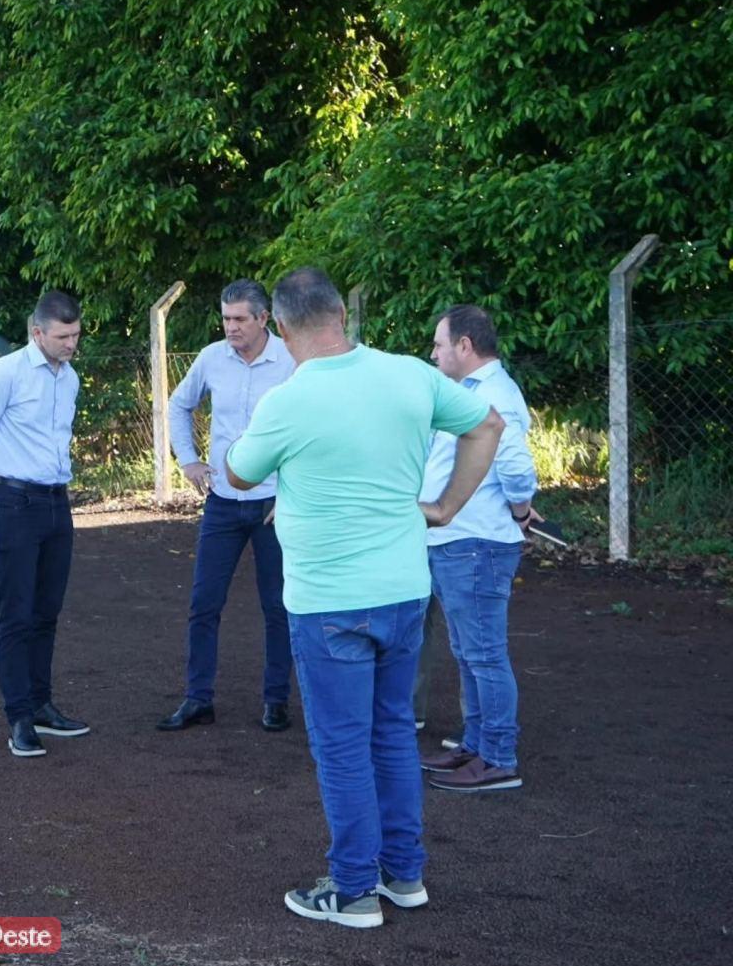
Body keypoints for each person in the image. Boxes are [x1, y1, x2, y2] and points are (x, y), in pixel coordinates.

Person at [224, 268, 503, 928]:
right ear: (342, 317)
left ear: (282, 328)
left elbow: (239, 472)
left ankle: (352, 892)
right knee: (391, 735)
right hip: (403, 590)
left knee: (343, 745)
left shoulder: (288, 401)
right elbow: (486, 425)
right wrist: (446, 507)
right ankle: (403, 874)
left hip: (328, 602)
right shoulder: (410, 374)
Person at [157, 279, 297, 733]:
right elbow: (179, 406)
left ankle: (276, 701)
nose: (230, 327)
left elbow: (311, 429)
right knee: (203, 603)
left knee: (279, 605)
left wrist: (296, 491)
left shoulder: (293, 362)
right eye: (225, 319)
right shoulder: (211, 358)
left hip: (274, 504)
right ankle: (199, 698)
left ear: (263, 319)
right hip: (221, 501)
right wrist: (189, 460)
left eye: (239, 319)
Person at [0, 291, 88, 757]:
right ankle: (18, 717)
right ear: (38, 333)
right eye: (62, 336)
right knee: (16, 611)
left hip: (56, 501)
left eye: (75, 334)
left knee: (47, 609)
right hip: (12, 499)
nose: (72, 343)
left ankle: (41, 705)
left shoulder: (68, 378)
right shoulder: (5, 374)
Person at [418, 305, 538, 792]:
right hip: (458, 539)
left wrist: (519, 510)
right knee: (469, 651)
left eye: (440, 344)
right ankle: (476, 745)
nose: (434, 353)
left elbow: (516, 466)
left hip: (476, 541)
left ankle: (498, 757)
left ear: (465, 346)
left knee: (484, 653)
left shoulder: (494, 395)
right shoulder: (470, 392)